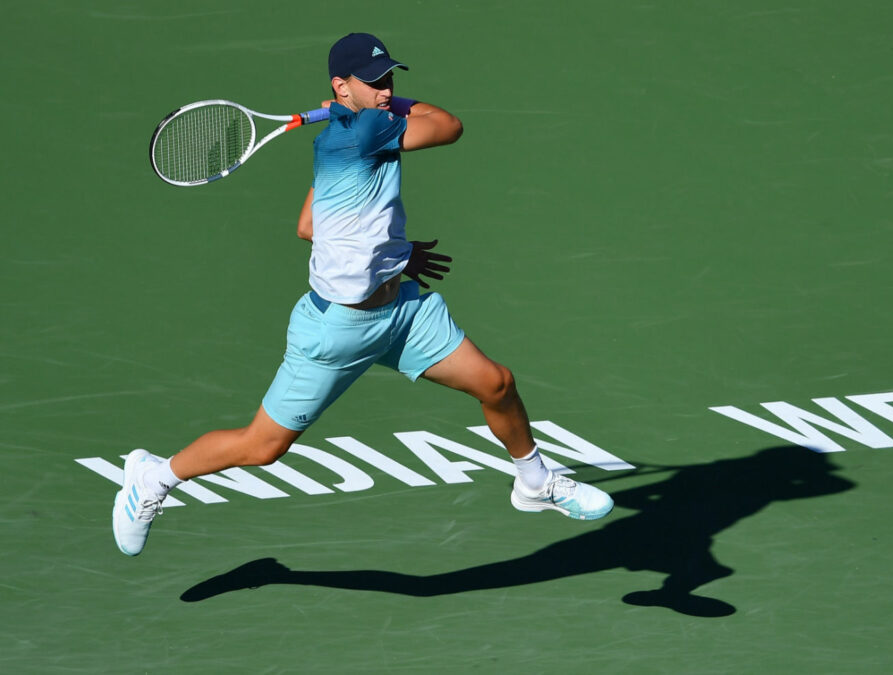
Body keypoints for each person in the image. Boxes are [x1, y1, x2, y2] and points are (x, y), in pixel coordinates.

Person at [113, 33, 612, 557]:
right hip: (337, 331)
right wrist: (382, 109)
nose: (386, 89)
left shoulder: (341, 137)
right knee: (262, 448)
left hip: (403, 313)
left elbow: (309, 225)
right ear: (340, 86)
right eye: (373, 83)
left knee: (496, 383)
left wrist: (392, 254)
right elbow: (449, 125)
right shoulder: (368, 128)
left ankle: (534, 482)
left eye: (389, 80)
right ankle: (155, 476)